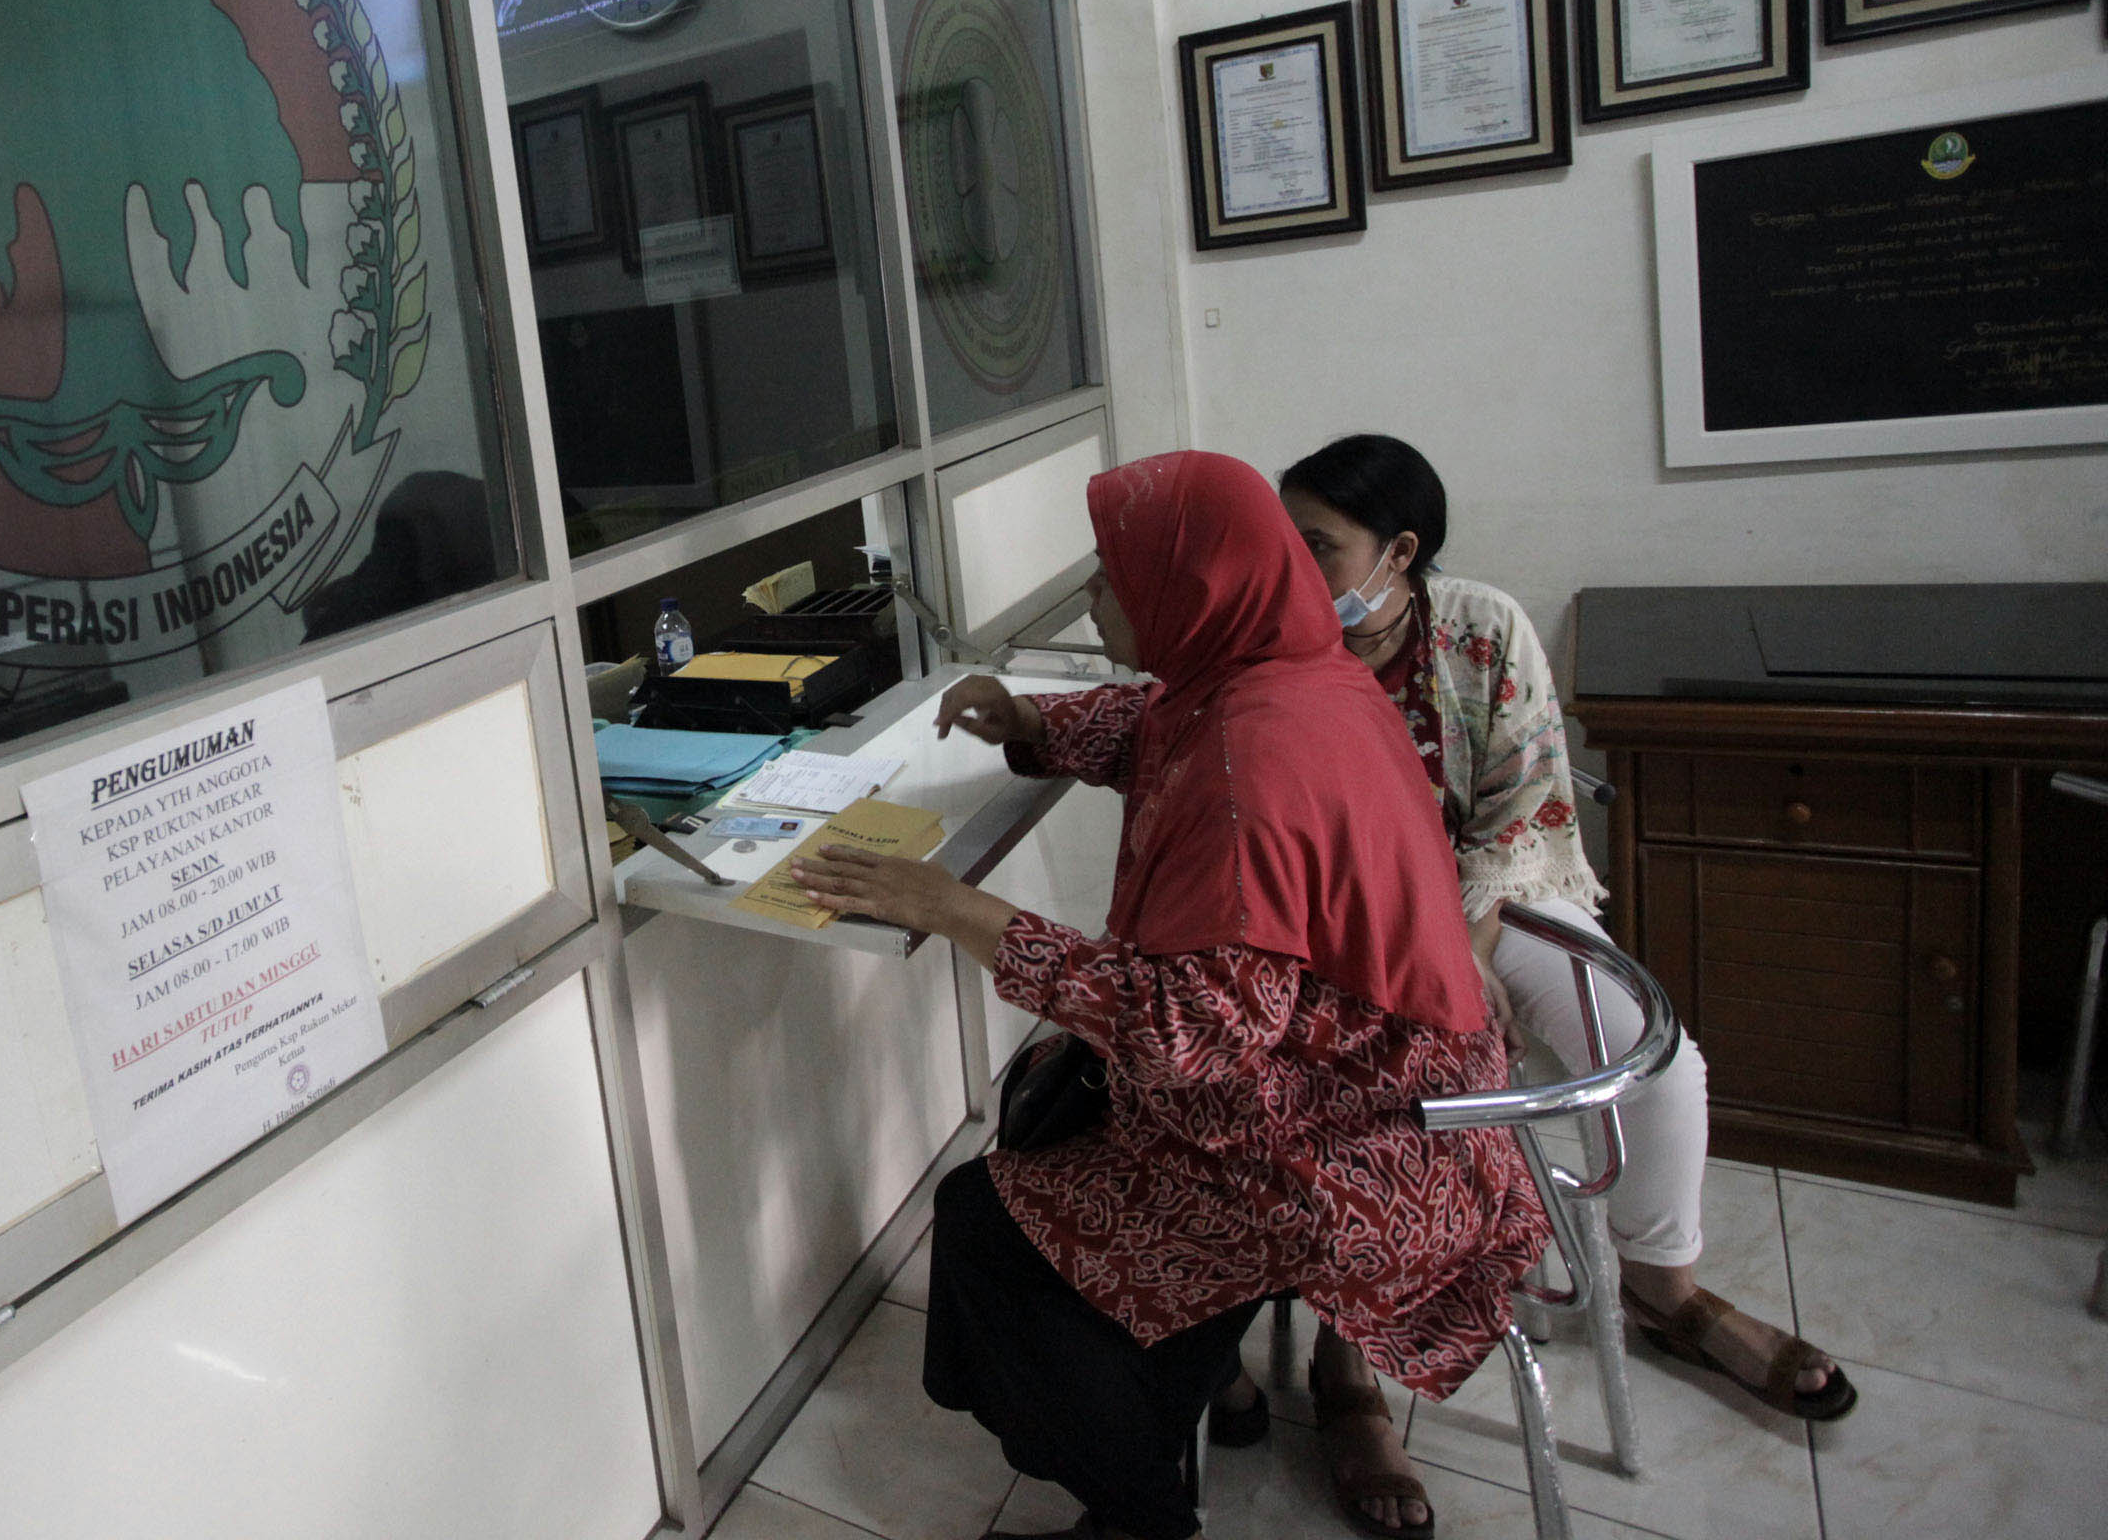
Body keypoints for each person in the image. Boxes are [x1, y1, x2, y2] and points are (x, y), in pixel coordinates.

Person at [792, 452, 1547, 1540]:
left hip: (1356, 1149)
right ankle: (1188, 1394)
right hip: (1375, 1085)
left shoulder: (1256, 757)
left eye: (1113, 574)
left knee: (985, 1224)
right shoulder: (1287, 669)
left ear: (1193, 586)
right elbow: (1154, 725)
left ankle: (1141, 1511)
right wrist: (1029, 720)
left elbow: (1191, 1028)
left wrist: (957, 909)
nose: (1098, 597)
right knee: (1056, 1106)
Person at [1220, 433, 1857, 1533]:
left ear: (1400, 552)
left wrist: (1464, 947)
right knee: (1376, 1089)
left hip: (1492, 896)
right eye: (1286, 538)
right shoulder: (1269, 644)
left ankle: (1664, 1286)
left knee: (1658, 1065)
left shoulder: (1482, 626)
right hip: (1335, 922)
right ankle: (1347, 1359)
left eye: (1317, 544)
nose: (1292, 562)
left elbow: (1523, 809)